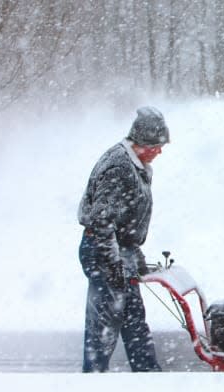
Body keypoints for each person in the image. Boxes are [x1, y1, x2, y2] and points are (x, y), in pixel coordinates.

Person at [77, 106, 170, 372]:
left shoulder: (136, 165)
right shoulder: (119, 166)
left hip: (119, 249)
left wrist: (134, 256)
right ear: (143, 142)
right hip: (102, 249)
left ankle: (147, 373)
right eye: (158, 145)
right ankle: (94, 378)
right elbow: (102, 220)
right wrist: (113, 263)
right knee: (104, 325)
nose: (160, 151)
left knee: (133, 319)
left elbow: (126, 220)